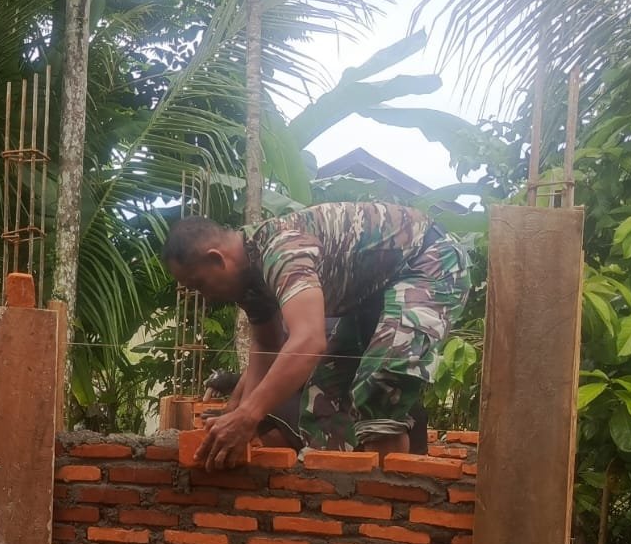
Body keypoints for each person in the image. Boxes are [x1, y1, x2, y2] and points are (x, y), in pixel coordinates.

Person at [165, 201, 469, 470]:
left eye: (199, 284)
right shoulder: (249, 282)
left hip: (428, 261)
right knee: (323, 403)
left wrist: (249, 415)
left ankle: (388, 502)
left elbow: (309, 341)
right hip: (369, 297)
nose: (205, 297)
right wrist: (235, 415)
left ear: (217, 259)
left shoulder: (282, 250)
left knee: (380, 387)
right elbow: (267, 346)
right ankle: (337, 502)